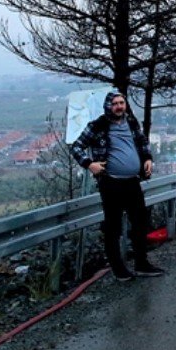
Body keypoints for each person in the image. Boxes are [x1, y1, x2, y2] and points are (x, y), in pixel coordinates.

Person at [70, 91, 164, 281]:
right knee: (113, 228)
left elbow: (142, 142)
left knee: (140, 223)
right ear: (108, 106)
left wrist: (147, 159)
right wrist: (89, 164)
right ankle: (118, 268)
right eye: (115, 104)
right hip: (111, 183)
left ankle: (141, 263)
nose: (119, 106)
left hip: (132, 181)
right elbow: (76, 146)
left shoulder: (131, 122)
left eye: (122, 102)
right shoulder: (98, 125)